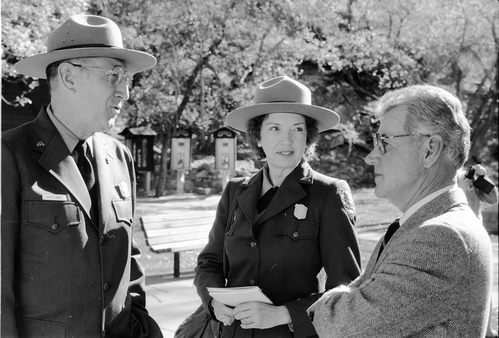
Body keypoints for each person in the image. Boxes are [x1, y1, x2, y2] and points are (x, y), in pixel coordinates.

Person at [2, 14, 162, 337]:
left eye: (126, 78)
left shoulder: (120, 157)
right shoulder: (10, 156)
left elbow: (129, 265)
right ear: (69, 77)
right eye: (114, 75)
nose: (125, 92)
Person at [307, 84, 494, 337]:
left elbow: (338, 326)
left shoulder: (440, 237)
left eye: (384, 141)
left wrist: (334, 303)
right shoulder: (425, 225)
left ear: (430, 150)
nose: (370, 156)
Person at [193, 75, 362, 337]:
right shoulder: (235, 191)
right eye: (274, 129)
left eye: (297, 129)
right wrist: (214, 302)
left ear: (309, 137)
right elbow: (209, 263)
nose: (287, 140)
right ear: (257, 136)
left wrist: (284, 314)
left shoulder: (327, 193)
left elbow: (346, 288)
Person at [457, 163, 498, 338]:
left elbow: (493, 198)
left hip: (477, 236)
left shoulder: (469, 178)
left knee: (483, 283)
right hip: (456, 236)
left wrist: (482, 178)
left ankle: (488, 332)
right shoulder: (444, 179)